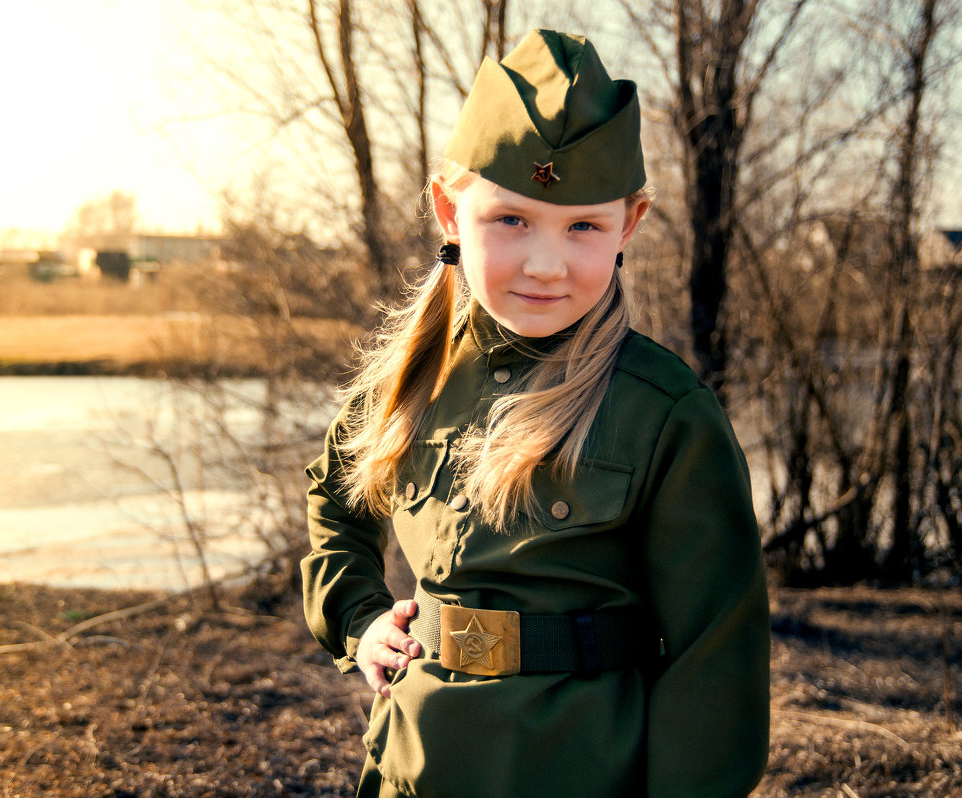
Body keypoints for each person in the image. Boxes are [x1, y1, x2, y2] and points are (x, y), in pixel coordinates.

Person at [301, 28, 769, 798]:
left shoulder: (664, 412)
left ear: (630, 225)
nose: (545, 264)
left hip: (582, 772)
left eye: (582, 225)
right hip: (412, 769)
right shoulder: (409, 379)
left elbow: (715, 658)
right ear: (450, 212)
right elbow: (335, 499)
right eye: (511, 220)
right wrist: (358, 619)